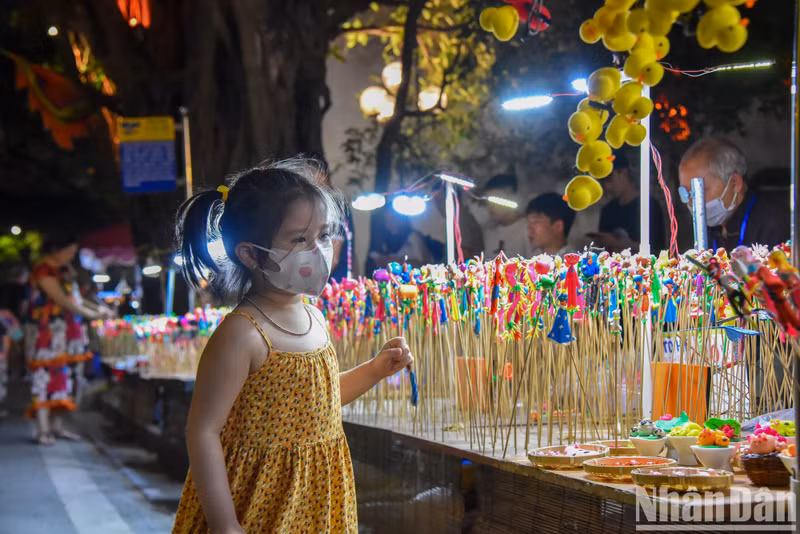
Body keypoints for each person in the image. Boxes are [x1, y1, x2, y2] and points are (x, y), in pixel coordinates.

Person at [172, 157, 413, 533]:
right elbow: (202, 431)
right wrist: (224, 524)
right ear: (251, 254)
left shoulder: (314, 316)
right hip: (258, 504)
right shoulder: (242, 334)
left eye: (322, 235)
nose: (318, 249)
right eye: (299, 239)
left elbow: (317, 403)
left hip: (317, 499)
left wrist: (376, 369)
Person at [23, 235, 112, 444]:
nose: (71, 257)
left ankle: (56, 426)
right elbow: (63, 301)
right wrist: (94, 315)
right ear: (55, 249)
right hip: (46, 333)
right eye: (69, 252)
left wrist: (97, 309)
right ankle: (42, 429)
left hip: (65, 333)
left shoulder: (64, 271)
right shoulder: (43, 270)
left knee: (62, 378)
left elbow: (76, 299)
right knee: (43, 377)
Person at [678, 137, 790, 250]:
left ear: (735, 183)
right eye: (686, 193)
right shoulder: (708, 229)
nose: (692, 202)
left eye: (701, 191)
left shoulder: (774, 224)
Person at [594, 150, 666, 253]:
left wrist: (621, 244)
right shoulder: (608, 210)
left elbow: (658, 250)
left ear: (623, 173)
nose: (607, 185)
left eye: (609, 178)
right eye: (603, 181)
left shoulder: (648, 206)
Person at [412, 182, 484, 262]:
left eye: (439, 200)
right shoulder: (456, 218)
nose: (437, 205)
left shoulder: (460, 218)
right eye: (435, 201)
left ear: (452, 198)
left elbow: (464, 254)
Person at [480, 173, 533, 259]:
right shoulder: (489, 231)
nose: (491, 207)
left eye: (495, 200)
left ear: (511, 198)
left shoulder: (528, 229)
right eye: (488, 201)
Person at [365, 207, 432, 273]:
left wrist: (395, 261)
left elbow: (425, 263)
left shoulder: (413, 237)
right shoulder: (380, 243)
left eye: (394, 218)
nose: (391, 223)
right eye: (388, 220)